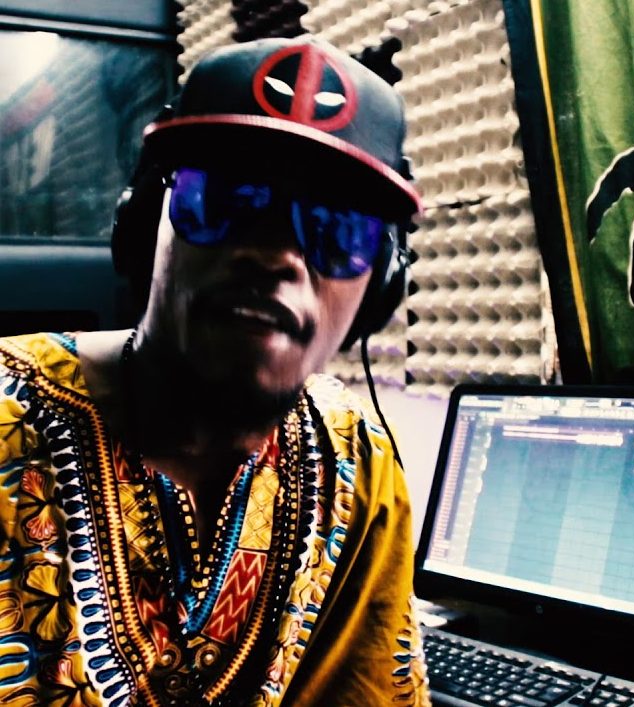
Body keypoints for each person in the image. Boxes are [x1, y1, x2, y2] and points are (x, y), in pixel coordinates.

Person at [0, 35, 430, 706]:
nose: (275, 254)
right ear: (147, 222)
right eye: (227, 199)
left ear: (380, 287)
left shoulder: (357, 460)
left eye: (338, 230)